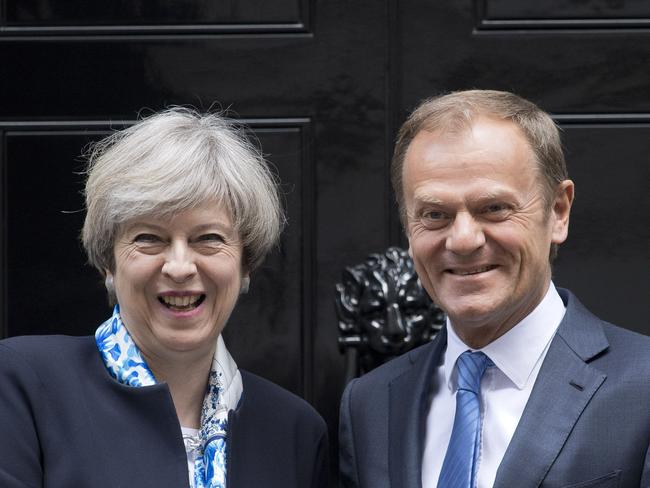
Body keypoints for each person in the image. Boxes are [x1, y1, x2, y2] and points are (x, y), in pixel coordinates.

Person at [0, 108, 328, 488]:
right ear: (108, 262)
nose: (179, 266)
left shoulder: (295, 432)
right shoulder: (23, 384)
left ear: (245, 265)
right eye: (149, 238)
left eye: (208, 238)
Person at [339, 90, 650, 487]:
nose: (463, 240)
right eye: (435, 215)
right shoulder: (370, 403)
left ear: (558, 212)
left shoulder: (642, 388)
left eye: (494, 208)